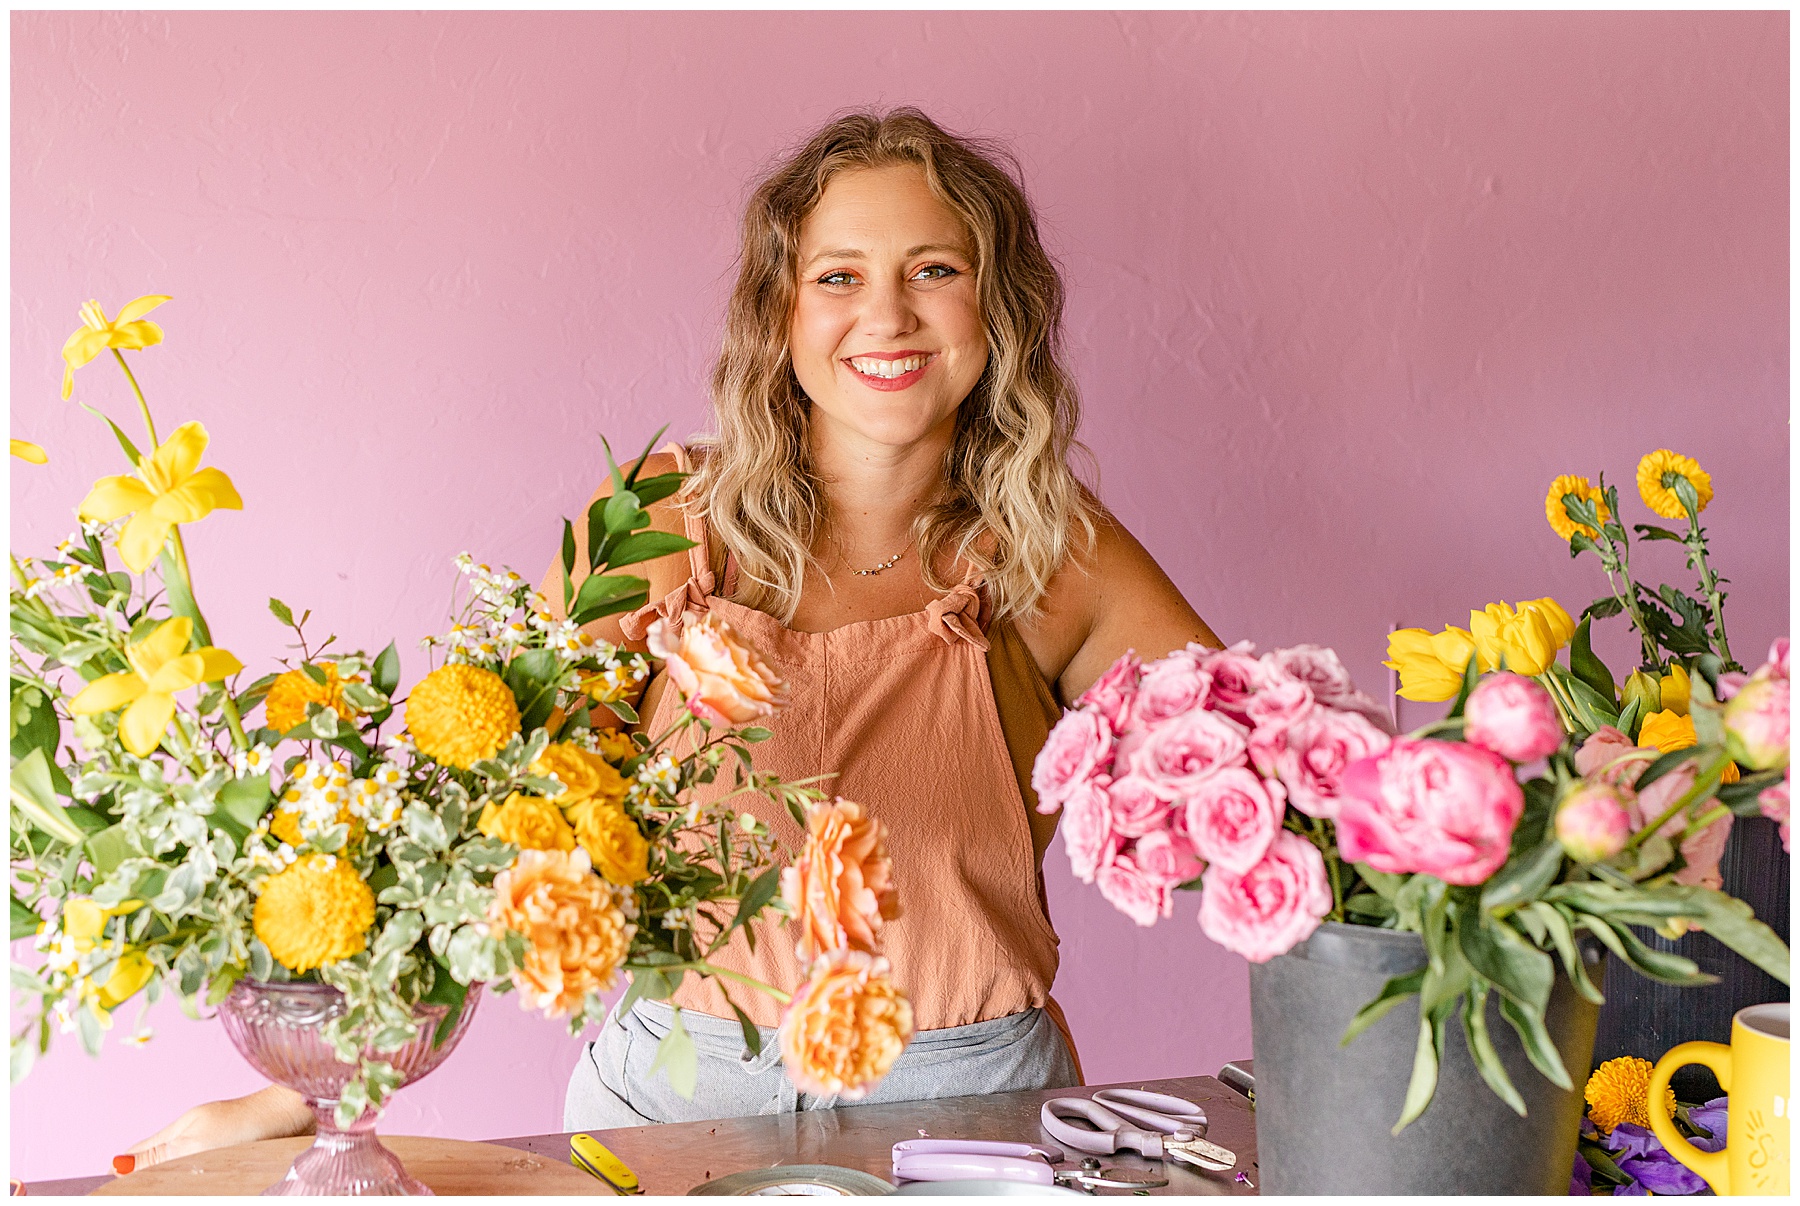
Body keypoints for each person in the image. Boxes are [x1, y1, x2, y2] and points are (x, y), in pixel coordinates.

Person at [118, 107, 1219, 1169]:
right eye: (838, 277)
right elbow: (483, 826)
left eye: (934, 270)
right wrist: (305, 1088)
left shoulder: (1052, 552)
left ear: (1000, 308)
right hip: (672, 1097)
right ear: (779, 316)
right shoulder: (658, 525)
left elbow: (1261, 789)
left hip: (975, 1113)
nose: (886, 317)